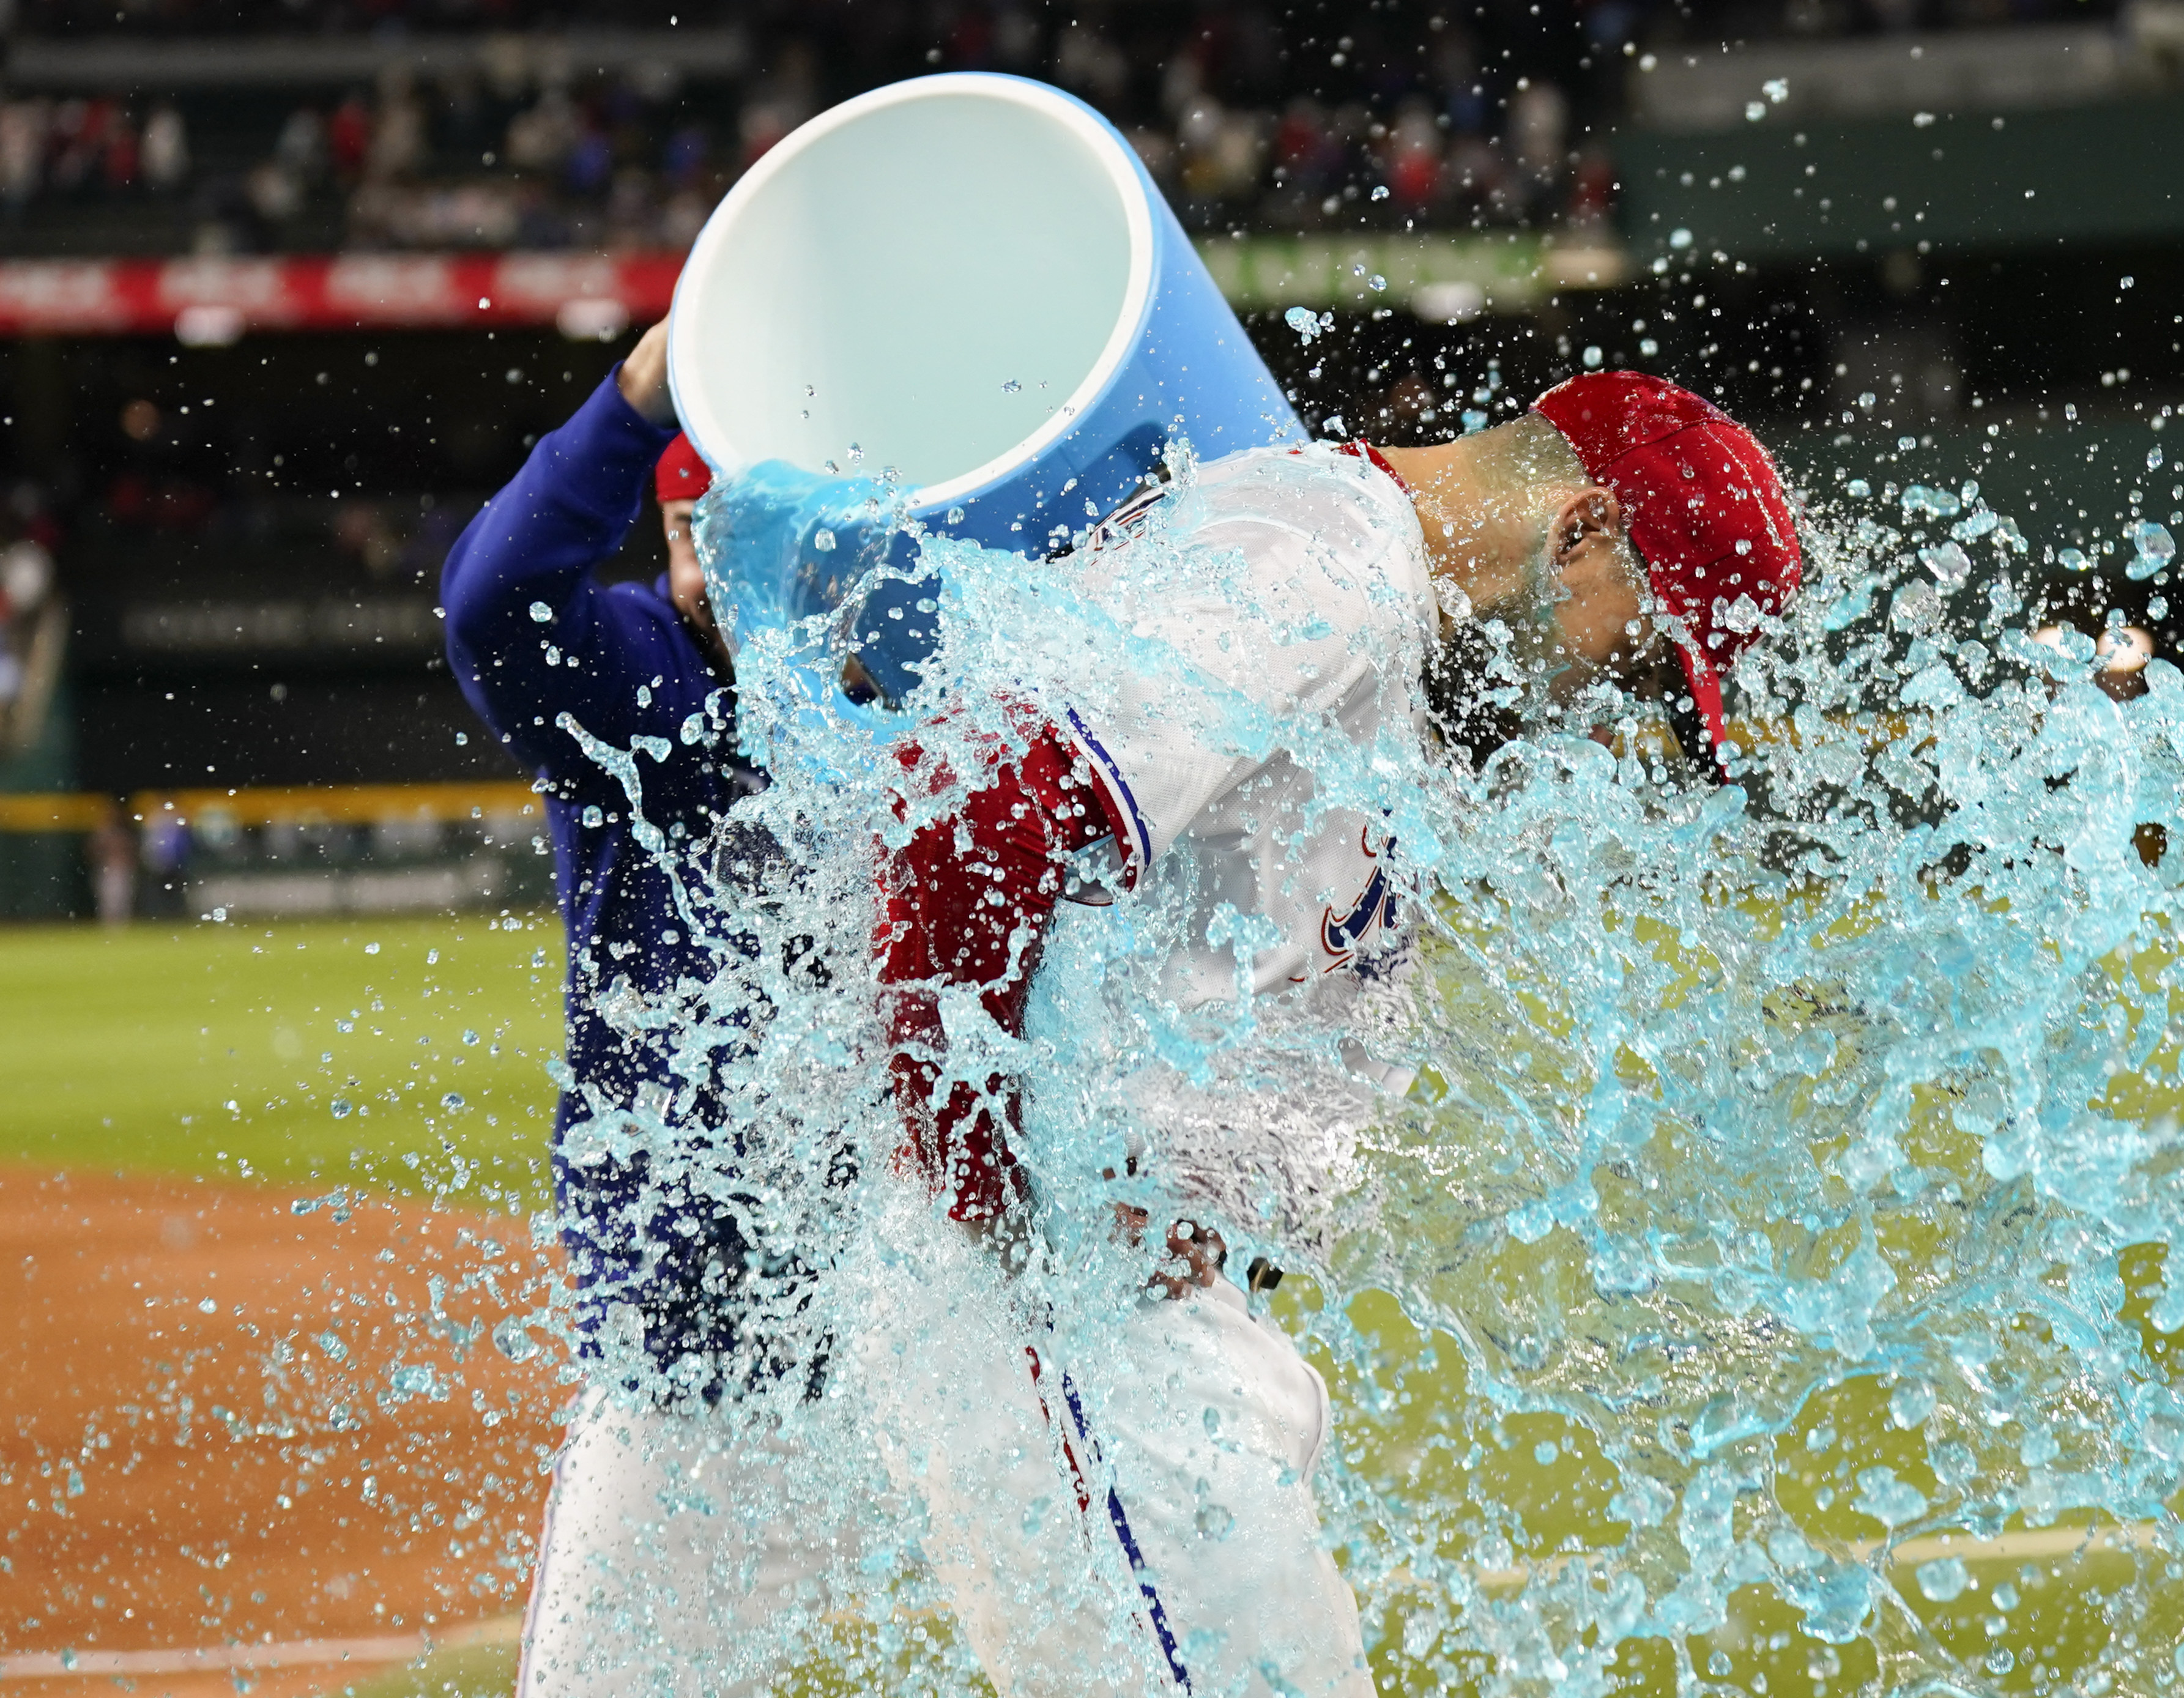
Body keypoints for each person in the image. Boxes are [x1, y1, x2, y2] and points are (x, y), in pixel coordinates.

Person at [849, 369, 1799, 1698]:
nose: (1611, 700)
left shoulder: (1351, 567)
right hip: (1097, 1315)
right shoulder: (1322, 567)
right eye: (1637, 650)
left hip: (1154, 1319)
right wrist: (1003, 1211)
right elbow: (971, 811)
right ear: (1584, 529)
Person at [441, 321, 857, 1698]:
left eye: (730, 527)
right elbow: (495, 600)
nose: (707, 566)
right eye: (685, 530)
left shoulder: (913, 672)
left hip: (922, 1318)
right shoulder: (642, 675)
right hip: (709, 1346)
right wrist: (633, 398)